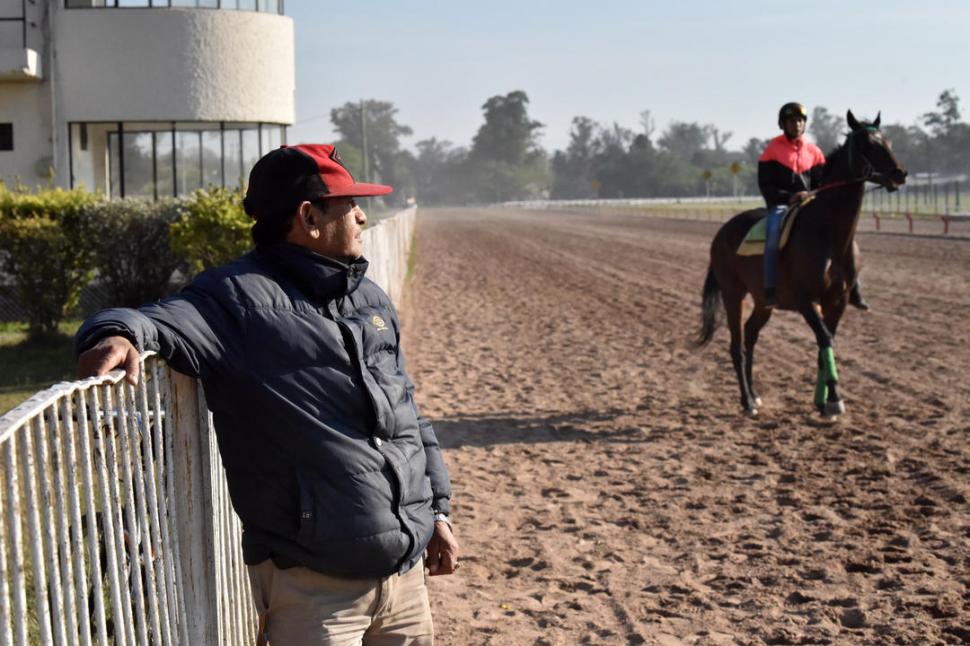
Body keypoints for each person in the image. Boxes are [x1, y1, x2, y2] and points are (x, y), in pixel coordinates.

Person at [75, 143, 459, 645]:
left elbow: (406, 414)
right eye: (350, 203)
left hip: (406, 579)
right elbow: (153, 320)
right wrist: (115, 334)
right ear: (309, 217)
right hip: (315, 591)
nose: (363, 215)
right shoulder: (234, 301)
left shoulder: (368, 298)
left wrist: (436, 512)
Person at [758, 102, 869, 309]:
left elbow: (823, 183)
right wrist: (790, 196)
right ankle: (770, 290)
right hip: (783, 207)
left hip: (813, 204)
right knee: (772, 237)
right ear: (783, 124)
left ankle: (853, 288)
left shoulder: (814, 152)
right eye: (792, 121)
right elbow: (765, 185)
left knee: (844, 236)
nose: (797, 125)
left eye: (800, 121)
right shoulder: (772, 150)